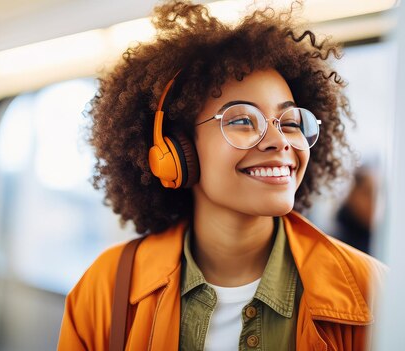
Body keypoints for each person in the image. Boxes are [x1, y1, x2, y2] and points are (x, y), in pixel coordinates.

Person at [58, 1, 386, 350]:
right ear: (175, 149)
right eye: (243, 120)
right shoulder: (107, 286)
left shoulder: (373, 290)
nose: (279, 141)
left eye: (290, 123)